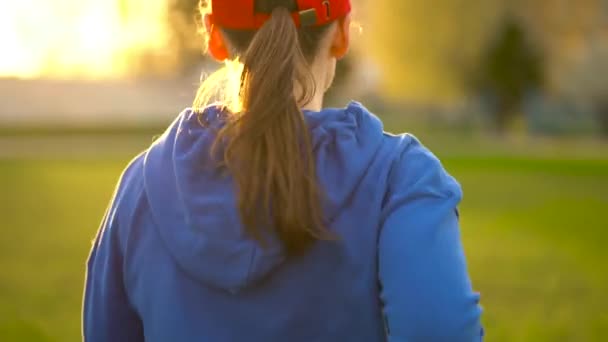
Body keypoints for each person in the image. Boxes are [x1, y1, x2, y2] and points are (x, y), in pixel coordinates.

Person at [82, 0, 483, 341]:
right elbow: (439, 329)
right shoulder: (401, 178)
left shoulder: (142, 188)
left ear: (214, 36)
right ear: (343, 33)